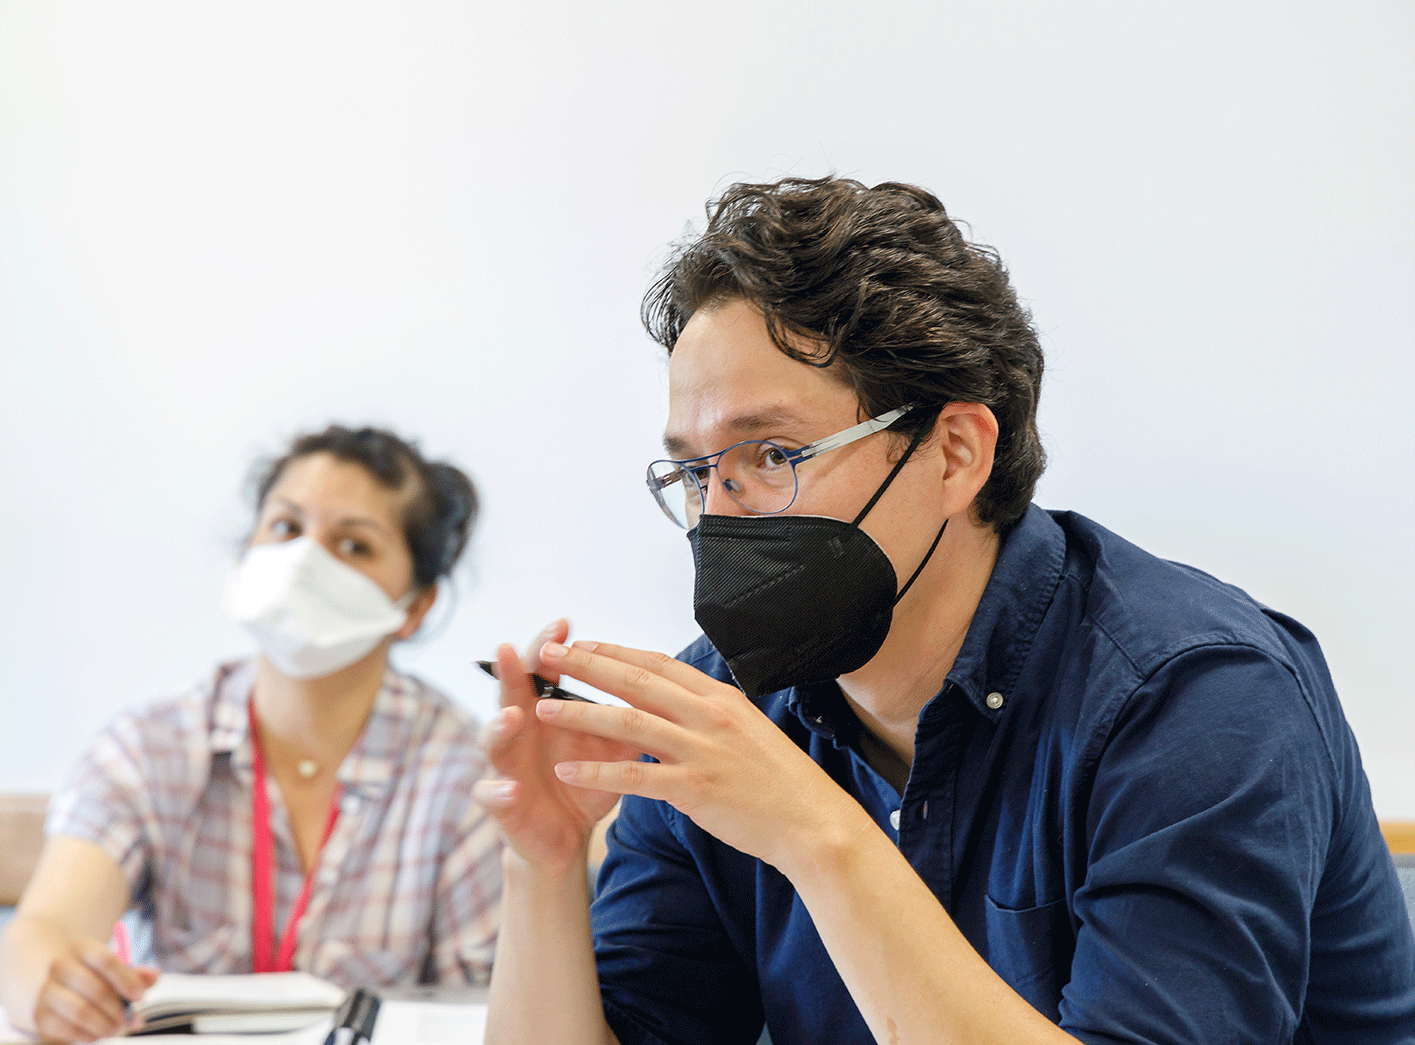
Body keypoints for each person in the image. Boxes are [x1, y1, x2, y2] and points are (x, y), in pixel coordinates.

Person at [474, 178, 1415, 1045]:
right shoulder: (729, 707)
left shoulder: (1197, 699)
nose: (718, 513)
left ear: (956, 452)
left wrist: (818, 836)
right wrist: (545, 864)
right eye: (692, 470)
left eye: (770, 455)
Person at [0, 424, 505, 1042]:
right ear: (248, 552)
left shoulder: (464, 776)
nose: (305, 561)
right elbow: (42, 932)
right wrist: (52, 989)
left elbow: (486, 1011)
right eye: (287, 528)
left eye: (352, 545)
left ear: (415, 606)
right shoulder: (148, 748)